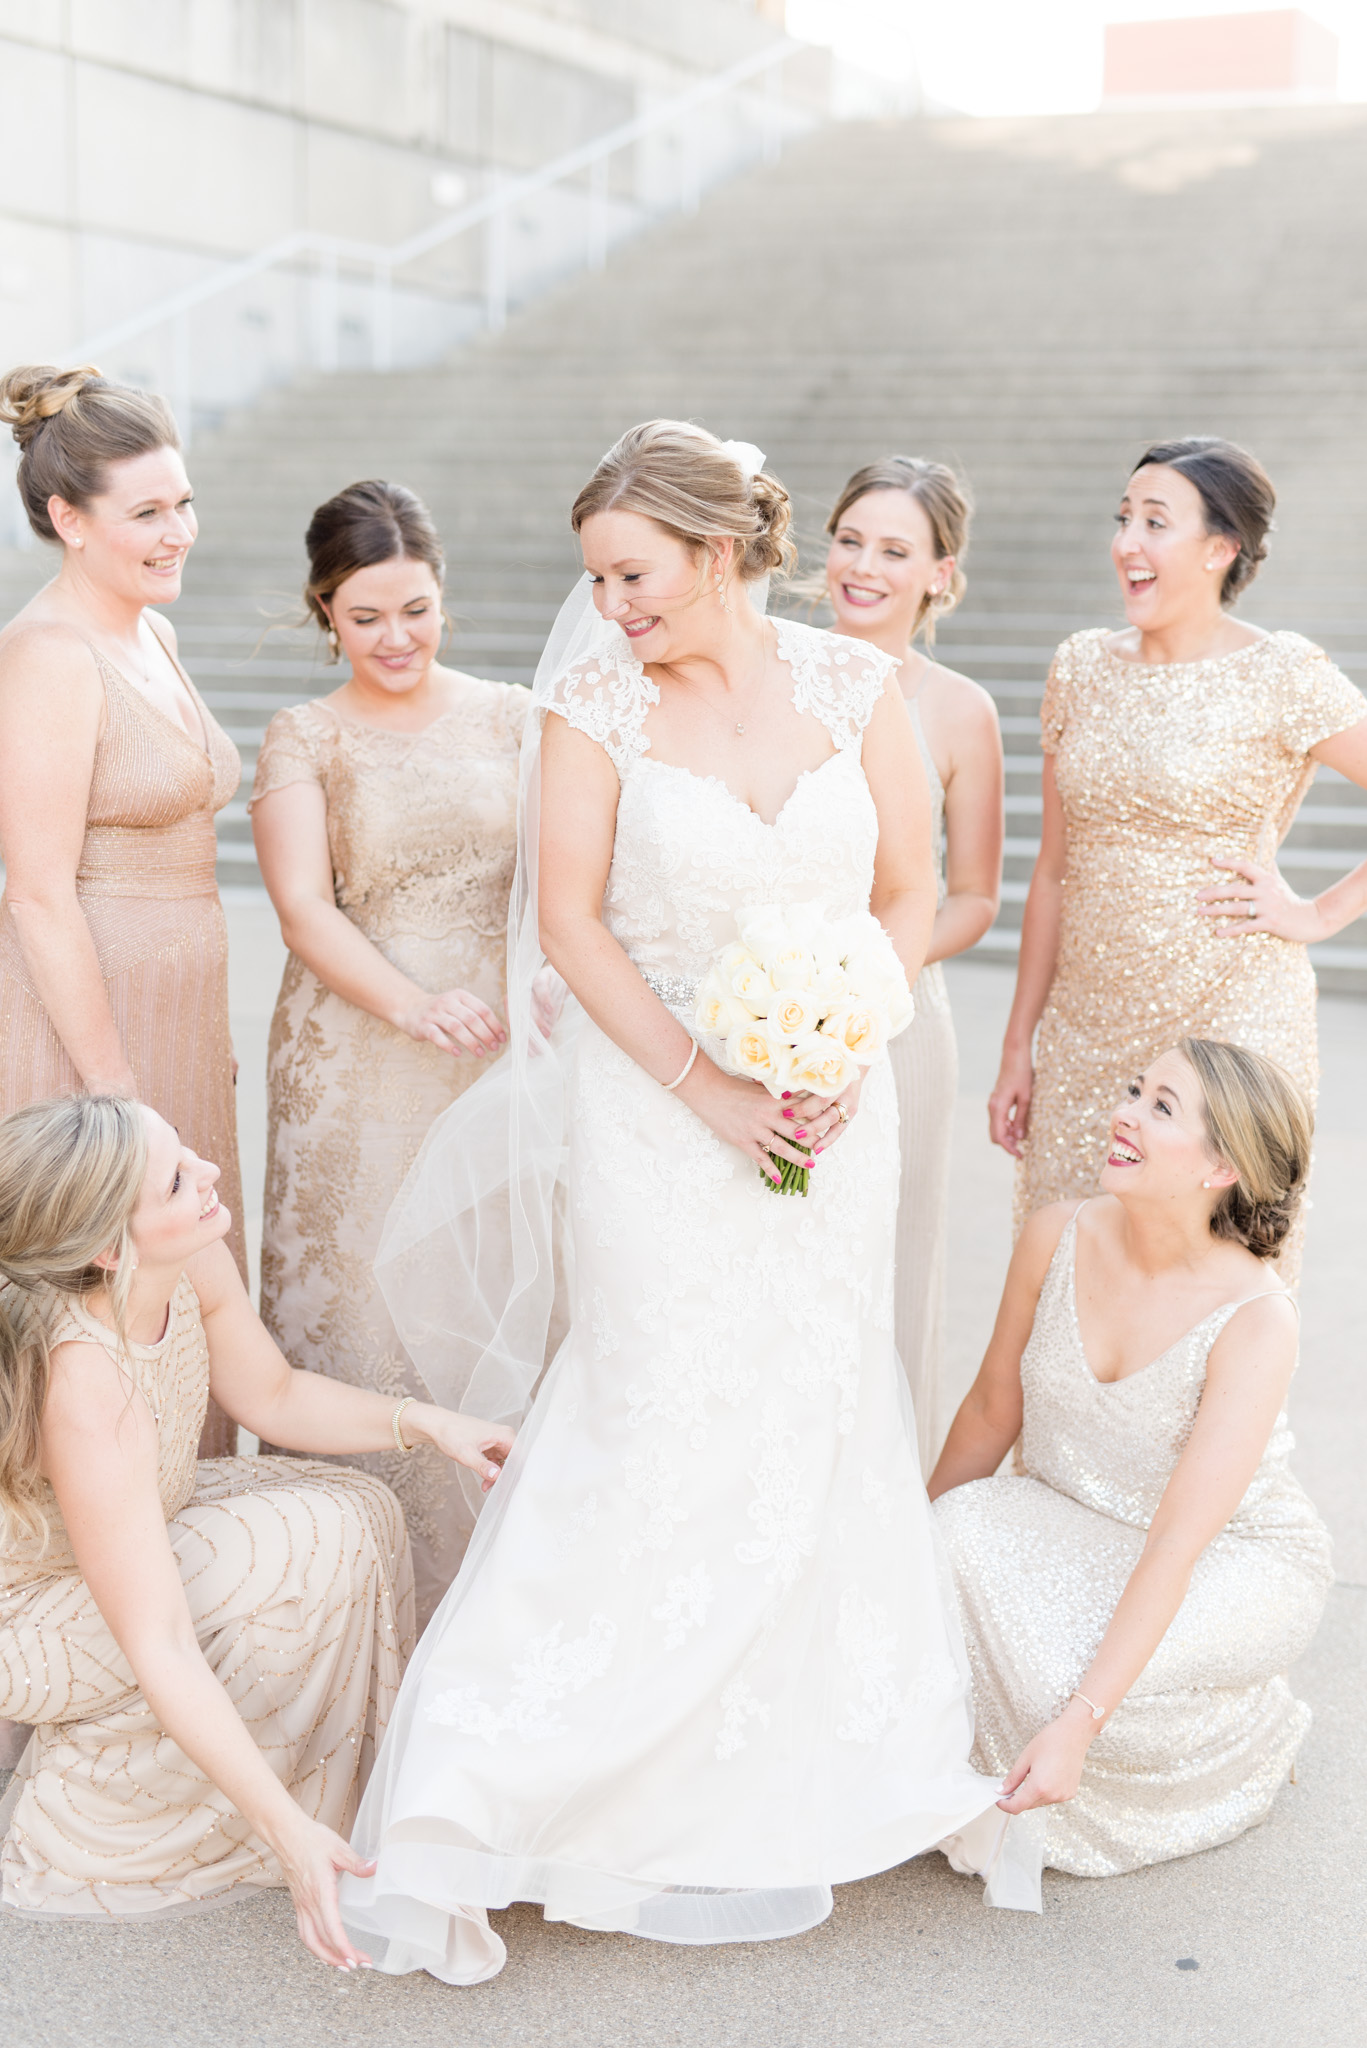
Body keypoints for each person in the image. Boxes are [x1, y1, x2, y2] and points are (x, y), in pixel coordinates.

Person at [339, 422, 1036, 1985]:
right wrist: (704, 1087)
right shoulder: (592, 708)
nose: (612, 605)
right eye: (597, 580)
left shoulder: (859, 692)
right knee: (652, 1403)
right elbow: (575, 928)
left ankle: (804, 1752)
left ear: (716, 552)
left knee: (820, 1392)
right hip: (653, 1112)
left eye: (632, 575)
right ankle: (528, 1775)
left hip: (831, 1106)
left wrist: (847, 1029)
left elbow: (909, 899)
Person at [0, 1093, 512, 1963]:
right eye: (174, 1180)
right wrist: (284, 1836)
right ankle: (170, 1818)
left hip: (142, 1525)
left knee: (360, 1511)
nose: (206, 1176)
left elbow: (273, 1395)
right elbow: (157, 1637)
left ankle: (322, 1800)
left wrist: (430, 1424)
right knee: (307, 1543)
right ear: (108, 1249)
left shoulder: (188, 1256)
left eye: (186, 1152)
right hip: (36, 1617)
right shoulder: (83, 1379)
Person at [930, 1038, 1331, 1879]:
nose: (1122, 1113)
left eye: (1160, 1107)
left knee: (1059, 1682)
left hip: (1230, 1557)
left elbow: (1177, 1542)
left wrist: (1078, 1723)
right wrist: (902, 1556)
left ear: (1220, 1167)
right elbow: (990, 1409)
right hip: (1076, 1513)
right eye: (1133, 1090)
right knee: (951, 1529)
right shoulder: (1056, 1234)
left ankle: (1240, 1733)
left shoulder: (1256, 1320)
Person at [250, 480, 529, 1628]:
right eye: (365, 617)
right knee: (363, 1321)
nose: (395, 638)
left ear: (441, 593)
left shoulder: (514, 715)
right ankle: (353, 1616)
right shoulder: (303, 734)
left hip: (498, 1049)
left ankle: (486, 1614)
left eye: (413, 609)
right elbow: (305, 912)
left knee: (481, 1307)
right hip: (356, 1058)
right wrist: (412, 1003)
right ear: (326, 612)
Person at [988, 438, 1367, 1279]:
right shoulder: (1078, 665)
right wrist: (1021, 1044)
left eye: (1155, 522)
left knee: (1211, 1262)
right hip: (1088, 1024)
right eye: (1123, 518)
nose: (1127, 542)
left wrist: (1315, 914)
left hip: (1231, 1007)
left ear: (1219, 547)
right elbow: (1051, 869)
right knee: (1074, 1261)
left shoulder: (1282, 673)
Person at [0, 363, 246, 1458]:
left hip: (179, 1025)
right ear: (67, 517)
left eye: (182, 501)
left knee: (190, 1308)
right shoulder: (48, 656)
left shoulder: (154, 634)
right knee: (103, 1321)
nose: (177, 530)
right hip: (93, 1044)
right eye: (146, 511)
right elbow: (39, 891)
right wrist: (116, 1095)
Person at [819, 457, 1003, 1469]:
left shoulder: (958, 709)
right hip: (756, 1010)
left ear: (939, 573)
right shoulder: (767, 670)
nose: (862, 565)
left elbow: (973, 893)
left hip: (893, 1025)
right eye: (849, 538)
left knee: (889, 1265)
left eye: (893, 550)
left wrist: (861, 966)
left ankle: (872, 1505)